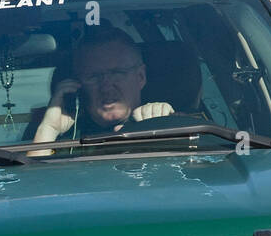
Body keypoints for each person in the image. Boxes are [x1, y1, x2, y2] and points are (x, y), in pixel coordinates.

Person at [31, 28, 175, 149]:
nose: (105, 86)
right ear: (77, 84)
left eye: (117, 73)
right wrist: (50, 129)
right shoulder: (57, 133)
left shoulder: (163, 120)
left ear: (141, 77)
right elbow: (35, 181)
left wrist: (163, 122)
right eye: (94, 76)